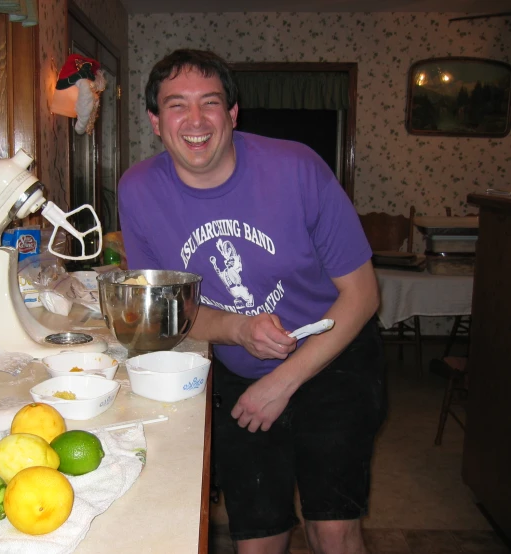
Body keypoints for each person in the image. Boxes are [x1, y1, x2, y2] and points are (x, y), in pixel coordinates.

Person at [117, 49, 385, 554]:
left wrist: (282, 383)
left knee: (331, 528)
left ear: (232, 114)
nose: (195, 121)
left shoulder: (297, 168)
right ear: (155, 121)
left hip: (336, 356)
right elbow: (167, 311)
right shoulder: (138, 191)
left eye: (210, 103)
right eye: (177, 106)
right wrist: (240, 330)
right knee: (257, 538)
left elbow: (363, 294)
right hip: (239, 370)